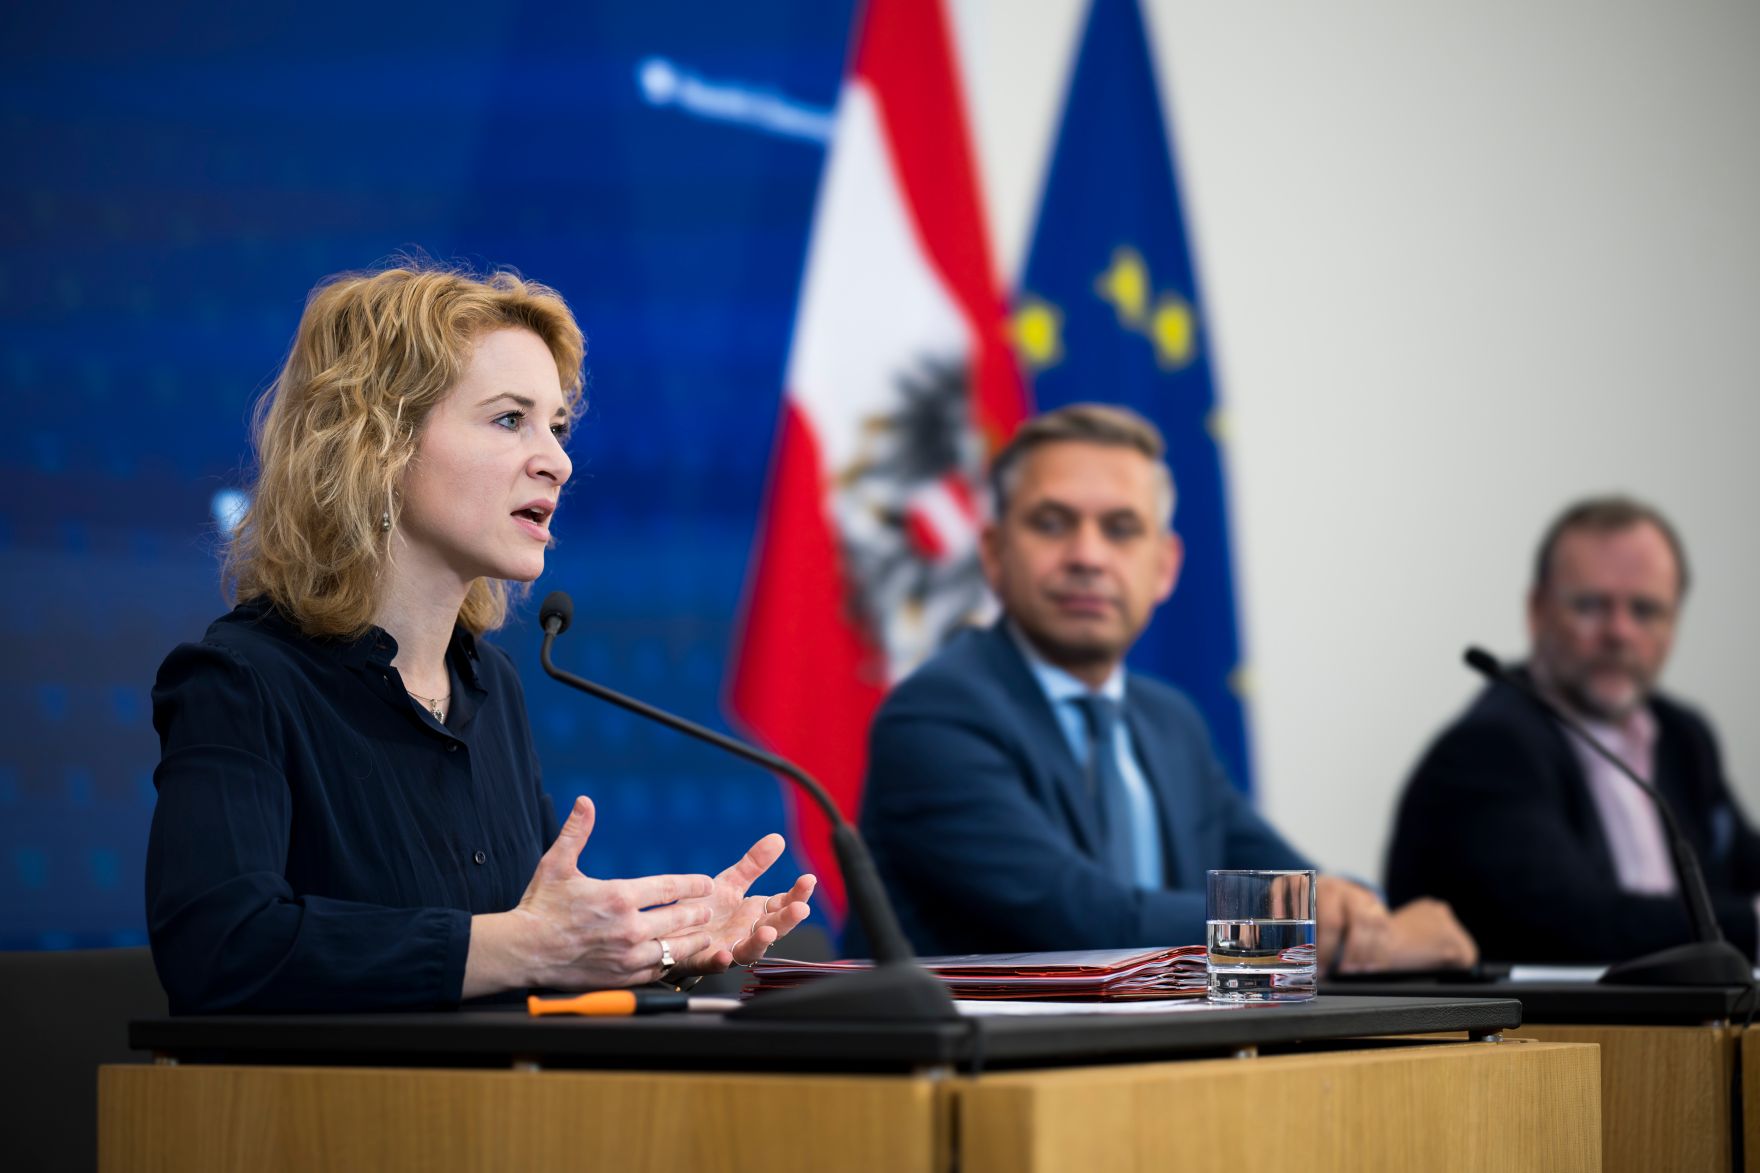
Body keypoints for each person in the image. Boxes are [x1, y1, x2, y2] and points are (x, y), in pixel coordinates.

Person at [147, 264, 814, 1013]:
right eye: (509, 420)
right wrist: (533, 945)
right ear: (377, 443)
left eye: (557, 427)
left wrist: (662, 949)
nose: (558, 460)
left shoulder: (489, 685)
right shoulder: (241, 680)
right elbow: (220, 950)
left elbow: (526, 960)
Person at [858, 403, 1475, 971]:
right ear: (994, 555)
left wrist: (1354, 910)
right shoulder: (935, 715)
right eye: (1051, 523)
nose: (1088, 556)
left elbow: (1297, 880)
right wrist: (1321, 924)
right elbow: (1090, 923)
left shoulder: (1169, 722)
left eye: (1121, 528)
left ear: (1165, 566)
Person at [1387, 497, 1760, 962]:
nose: (1619, 632)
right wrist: (1752, 924)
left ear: (1675, 622)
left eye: (1645, 610)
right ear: (1537, 610)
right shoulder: (1487, 750)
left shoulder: (1683, 736)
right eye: (1590, 606)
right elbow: (1576, 924)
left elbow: (1746, 866)